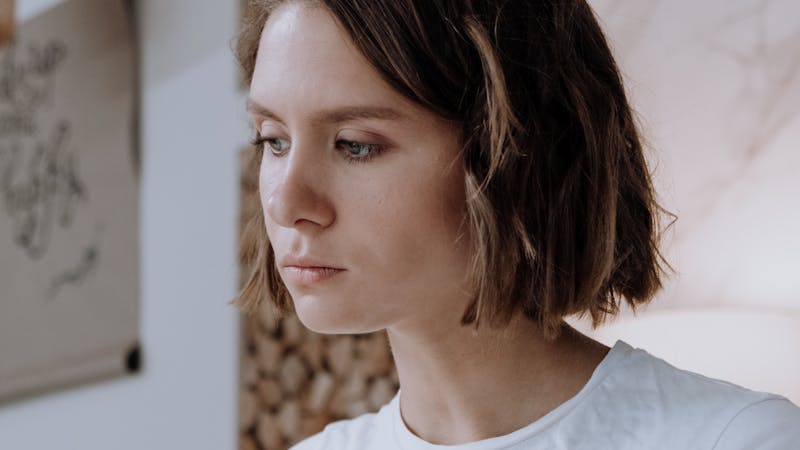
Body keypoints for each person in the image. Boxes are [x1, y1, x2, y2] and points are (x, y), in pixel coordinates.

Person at [232, 0, 800, 448]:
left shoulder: (737, 440)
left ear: (516, 156)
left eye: (355, 146)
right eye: (274, 140)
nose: (285, 204)